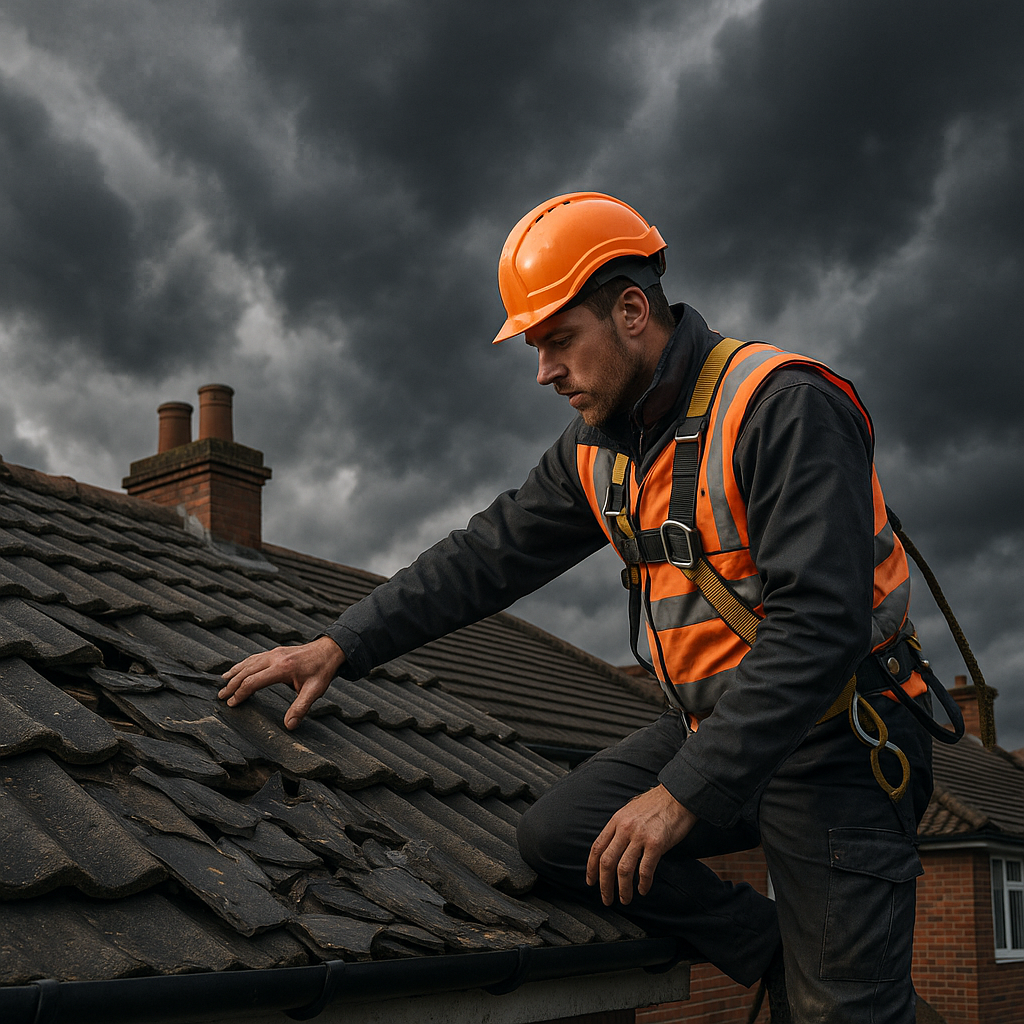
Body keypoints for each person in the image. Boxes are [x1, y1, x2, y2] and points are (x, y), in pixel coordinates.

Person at [220, 192, 936, 1023]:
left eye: (558, 340)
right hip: (717, 729)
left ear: (632, 311)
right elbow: (484, 557)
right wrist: (339, 646)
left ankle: (834, 988)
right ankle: (776, 951)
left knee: (843, 1015)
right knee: (562, 840)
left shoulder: (780, 407)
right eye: (535, 348)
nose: (544, 371)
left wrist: (683, 794)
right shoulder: (600, 448)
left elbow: (819, 630)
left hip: (840, 737)